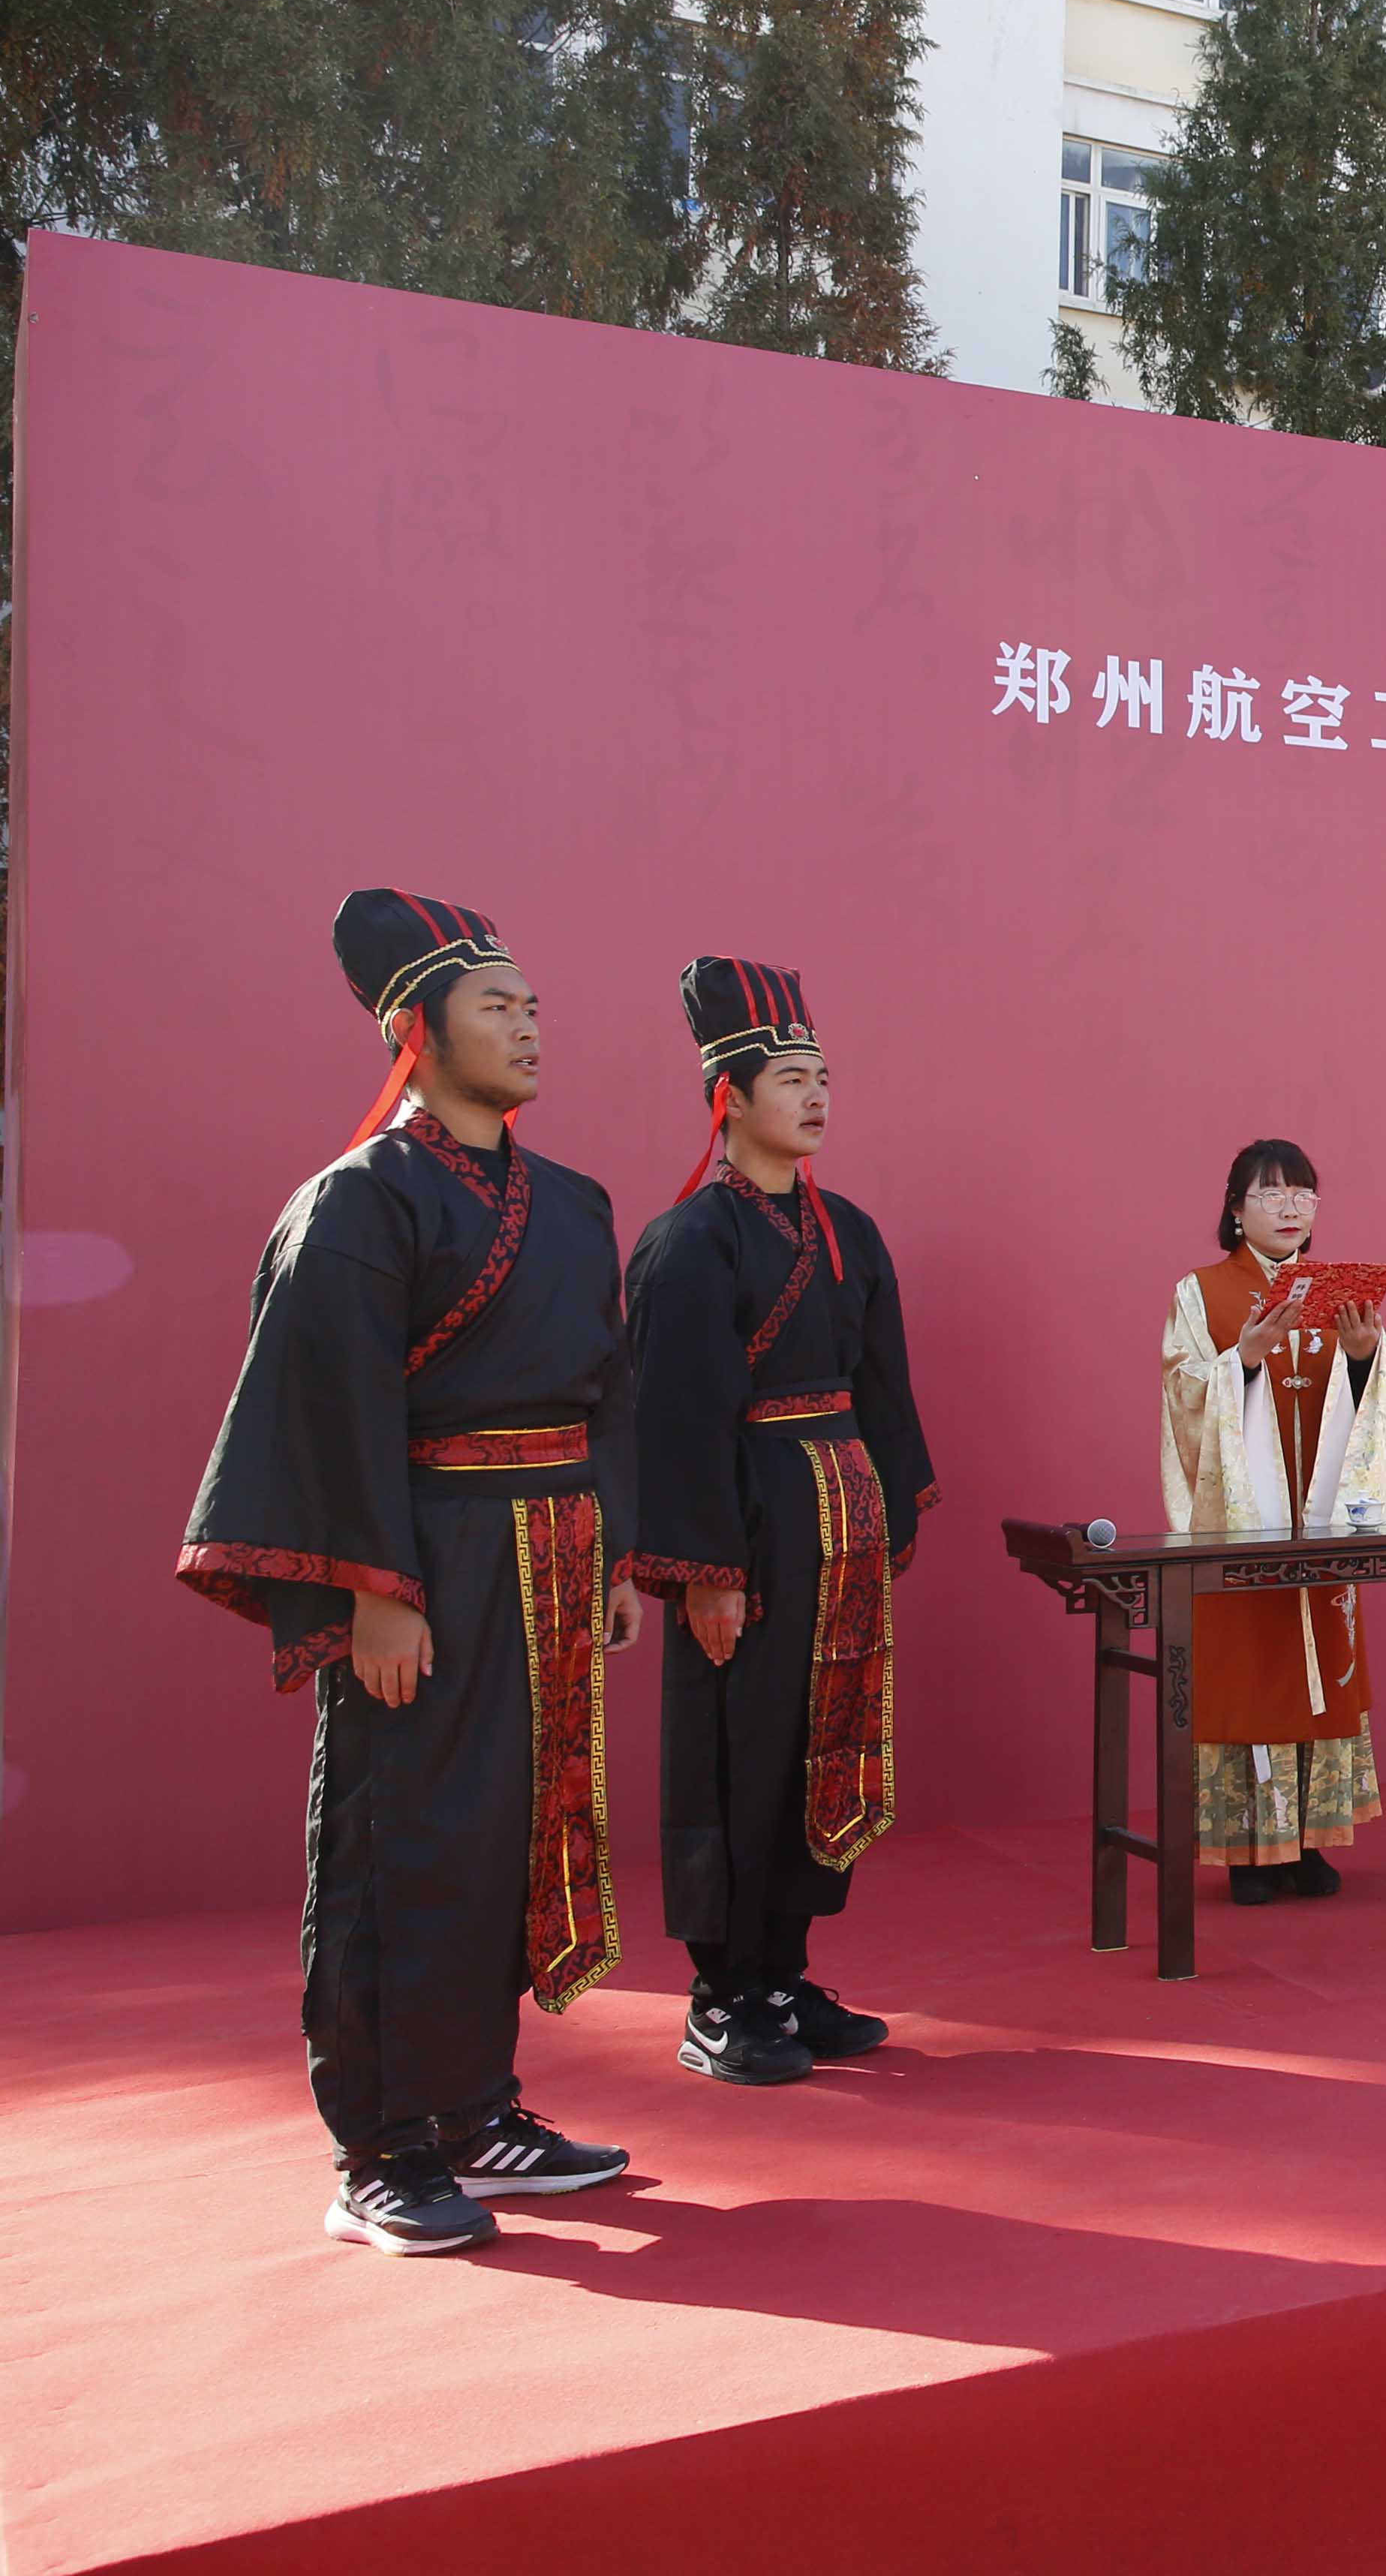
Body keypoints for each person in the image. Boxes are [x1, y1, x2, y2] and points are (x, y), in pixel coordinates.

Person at [175, 893, 644, 2253]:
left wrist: (611, 1552)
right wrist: (374, 1587)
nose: (529, 1026)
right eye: (497, 1006)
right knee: (406, 1839)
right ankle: (378, 2148)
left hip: (553, 1558)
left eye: (534, 1005)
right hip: (424, 1559)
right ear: (414, 1029)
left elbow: (607, 1396)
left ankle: (477, 2110)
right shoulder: (359, 1200)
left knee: (510, 1834)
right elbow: (332, 1405)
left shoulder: (576, 1202)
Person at [624, 959, 937, 2088]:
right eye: (792, 1078)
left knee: (825, 1738)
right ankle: (723, 1992)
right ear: (731, 1096)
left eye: (823, 1078)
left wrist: (890, 1511)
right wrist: (707, 1569)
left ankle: (786, 1971)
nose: (815, 1097)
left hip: (841, 1524)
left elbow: (882, 1382)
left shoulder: (849, 1230)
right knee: (740, 1746)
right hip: (750, 1527)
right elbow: (674, 1418)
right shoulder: (689, 1242)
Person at [1161, 1140, 1386, 1901]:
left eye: (1303, 1193)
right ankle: (1249, 1849)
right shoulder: (1202, 1292)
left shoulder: (1342, 1293)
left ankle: (1309, 1842)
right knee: (1252, 1670)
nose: (1290, 1208)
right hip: (1244, 1520)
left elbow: (1375, 1402)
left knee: (1322, 1667)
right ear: (1236, 1210)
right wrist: (1242, 1362)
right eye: (1270, 1194)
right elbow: (1183, 1394)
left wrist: (1361, 1357)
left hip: (1319, 1518)